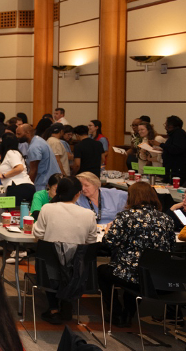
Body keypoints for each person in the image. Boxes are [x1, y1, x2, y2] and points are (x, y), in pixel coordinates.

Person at [99, 182, 176, 327]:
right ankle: (128, 314)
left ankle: (116, 313)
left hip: (132, 275)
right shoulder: (166, 219)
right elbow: (171, 247)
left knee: (103, 271)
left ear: (131, 197)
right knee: (137, 270)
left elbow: (108, 243)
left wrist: (109, 231)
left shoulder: (126, 216)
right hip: (156, 276)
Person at [33, 176, 100, 323]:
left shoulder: (47, 209)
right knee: (71, 264)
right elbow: (91, 241)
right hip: (77, 272)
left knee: (51, 262)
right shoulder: (89, 214)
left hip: (49, 272)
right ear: (78, 194)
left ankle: (53, 308)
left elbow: (37, 234)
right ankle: (67, 301)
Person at [0, 134, 35, 204]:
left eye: (1, 142)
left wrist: (4, 175)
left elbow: (19, 168)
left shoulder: (11, 153)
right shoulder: (10, 154)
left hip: (19, 187)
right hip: (21, 187)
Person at [16, 123, 60, 194]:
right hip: (51, 179)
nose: (17, 136)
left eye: (19, 134)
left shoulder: (34, 147)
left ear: (27, 133)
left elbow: (34, 170)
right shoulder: (38, 139)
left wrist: (28, 187)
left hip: (44, 182)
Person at [160, 116, 186, 183]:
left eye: (166, 124)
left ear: (171, 126)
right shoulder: (174, 134)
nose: (165, 127)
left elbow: (176, 149)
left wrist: (160, 144)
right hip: (171, 168)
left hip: (176, 170)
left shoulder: (179, 134)